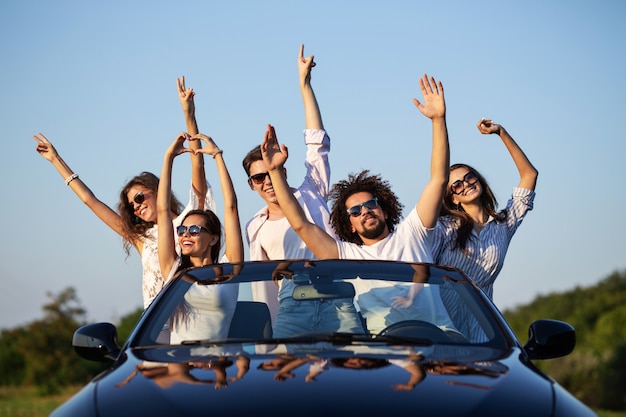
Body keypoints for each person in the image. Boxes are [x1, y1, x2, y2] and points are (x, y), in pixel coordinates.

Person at [261, 74, 454, 334]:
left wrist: (438, 121)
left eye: (371, 204)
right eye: (355, 210)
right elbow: (301, 225)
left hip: (441, 339)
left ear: (384, 209)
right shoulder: (348, 256)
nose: (365, 211)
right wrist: (274, 172)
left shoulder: (414, 234)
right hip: (382, 352)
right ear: (349, 225)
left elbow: (439, 179)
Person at [32, 76, 214, 309]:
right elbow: (90, 201)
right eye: (131, 206)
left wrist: (189, 114)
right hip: (155, 322)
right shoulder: (142, 239)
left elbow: (197, 164)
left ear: (158, 192)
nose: (136, 206)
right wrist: (55, 159)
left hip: (194, 311)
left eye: (139, 197)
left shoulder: (190, 221)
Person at [242, 44, 362, 337]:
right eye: (259, 178)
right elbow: (264, 288)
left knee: (355, 372)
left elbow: (317, 143)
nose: (267, 181)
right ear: (252, 185)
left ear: (283, 169)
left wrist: (304, 85)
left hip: (338, 299)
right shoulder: (255, 227)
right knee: (287, 381)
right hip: (291, 308)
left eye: (272, 172)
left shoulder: (311, 192)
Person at [431, 118, 538, 299]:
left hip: (481, 324)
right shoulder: (443, 227)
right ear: (453, 199)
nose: (466, 184)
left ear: (478, 180)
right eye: (457, 185)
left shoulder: (503, 225)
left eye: (469, 177)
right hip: (441, 322)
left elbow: (530, 174)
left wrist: (501, 132)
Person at [157, 132, 243, 343]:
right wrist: (168, 158)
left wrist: (218, 156)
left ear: (213, 239)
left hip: (218, 367)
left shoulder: (229, 270)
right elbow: (162, 211)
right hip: (180, 365)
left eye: (194, 230)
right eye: (183, 230)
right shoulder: (173, 270)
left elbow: (231, 207)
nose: (186, 234)